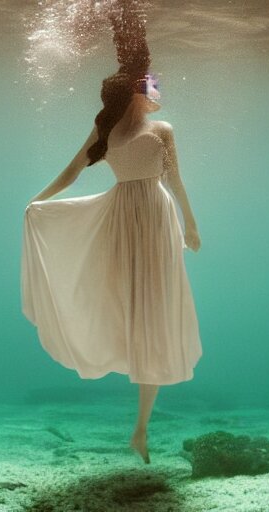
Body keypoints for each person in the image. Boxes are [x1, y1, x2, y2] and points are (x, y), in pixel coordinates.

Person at [21, 70, 202, 464]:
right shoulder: (106, 131)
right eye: (151, 84)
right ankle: (131, 405)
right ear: (134, 94)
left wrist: (190, 223)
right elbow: (72, 171)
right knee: (122, 302)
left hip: (155, 217)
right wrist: (36, 201)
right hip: (122, 218)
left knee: (152, 313)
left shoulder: (163, 130)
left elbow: (176, 181)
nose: (158, 90)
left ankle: (140, 428)